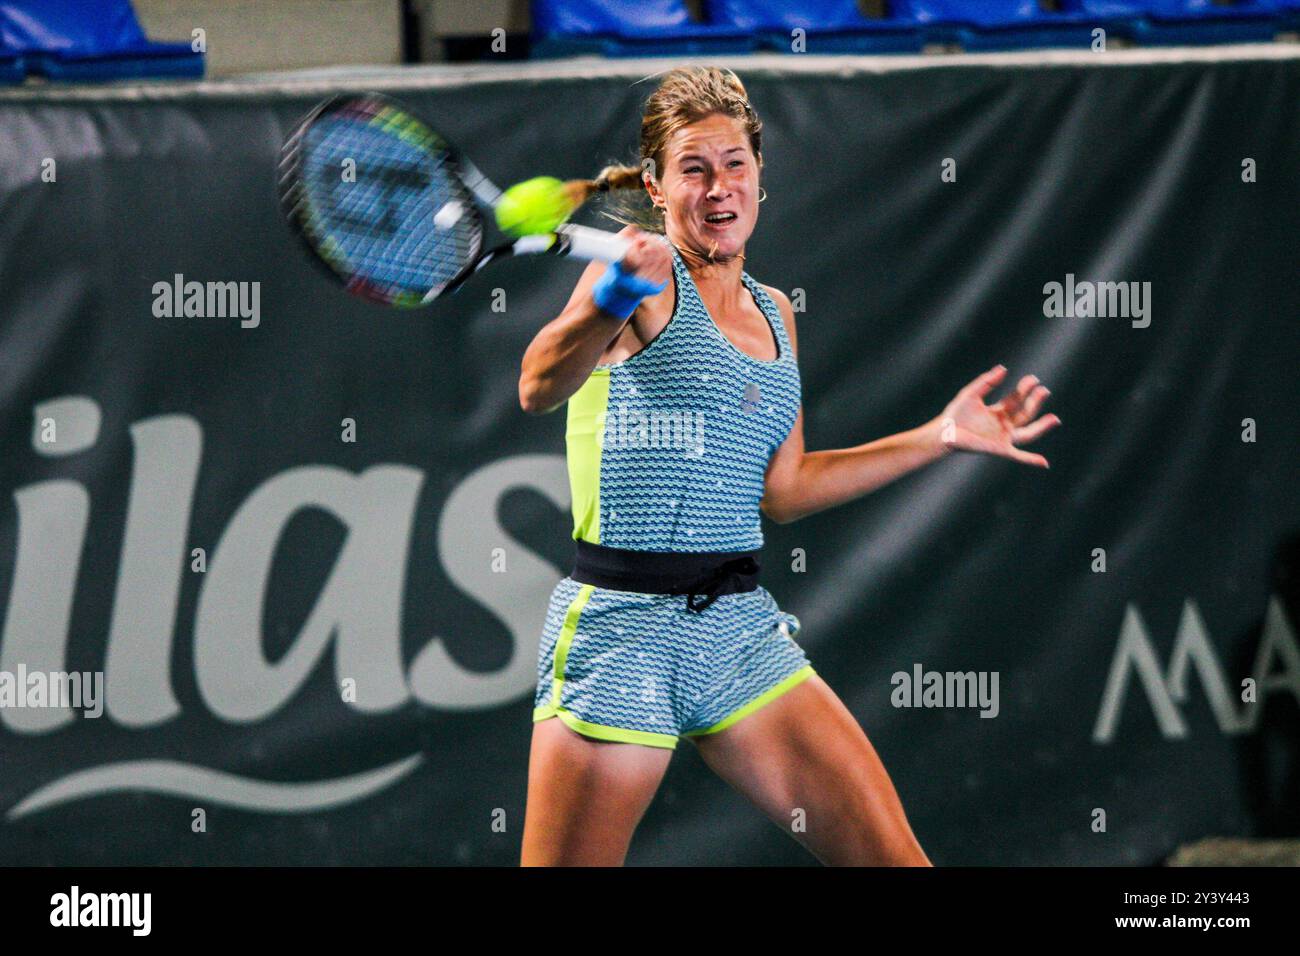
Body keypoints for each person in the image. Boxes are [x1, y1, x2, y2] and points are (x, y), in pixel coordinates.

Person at [516, 66, 1060, 866]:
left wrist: (938, 435)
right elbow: (537, 385)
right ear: (659, 189)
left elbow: (787, 490)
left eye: (736, 164)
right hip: (622, 633)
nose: (719, 187)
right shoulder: (636, 282)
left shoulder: (777, 313)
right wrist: (608, 301)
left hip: (738, 630)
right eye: (694, 169)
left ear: (760, 179)